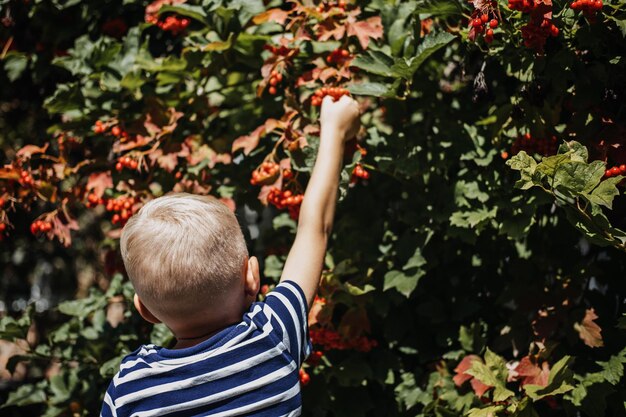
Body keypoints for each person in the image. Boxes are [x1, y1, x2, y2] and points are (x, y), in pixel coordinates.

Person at [100, 95, 361, 417]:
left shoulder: (130, 387)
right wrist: (334, 130)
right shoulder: (272, 335)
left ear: (145, 310)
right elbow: (315, 228)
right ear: (252, 277)